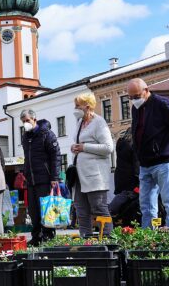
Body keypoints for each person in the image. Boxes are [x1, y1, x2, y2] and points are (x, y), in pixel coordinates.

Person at [127, 78, 169, 233]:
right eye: (131, 97)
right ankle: (149, 235)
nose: (134, 100)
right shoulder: (136, 108)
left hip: (164, 159)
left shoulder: (162, 103)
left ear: (146, 90)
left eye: (136, 96)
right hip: (145, 162)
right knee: (146, 204)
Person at [70, 93, 114, 237]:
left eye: (78, 106)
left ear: (87, 107)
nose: (75, 108)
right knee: (81, 210)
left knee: (99, 208)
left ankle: (108, 240)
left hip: (95, 177)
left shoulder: (99, 123)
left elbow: (108, 148)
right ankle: (86, 241)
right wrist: (75, 148)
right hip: (79, 176)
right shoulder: (79, 123)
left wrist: (84, 147)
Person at [20, 110, 60, 245]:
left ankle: (48, 235)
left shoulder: (46, 134)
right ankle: (36, 236)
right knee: (33, 210)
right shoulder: (26, 137)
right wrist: (25, 173)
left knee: (47, 209)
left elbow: (55, 156)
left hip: (45, 178)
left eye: (27, 120)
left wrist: (55, 176)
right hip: (31, 179)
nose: (25, 124)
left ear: (34, 119)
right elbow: (27, 157)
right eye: (23, 121)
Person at [109, 127, 141, 224]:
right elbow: (136, 164)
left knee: (124, 198)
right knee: (130, 199)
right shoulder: (133, 145)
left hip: (120, 176)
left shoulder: (121, 143)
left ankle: (120, 218)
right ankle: (111, 211)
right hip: (131, 178)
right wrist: (139, 178)